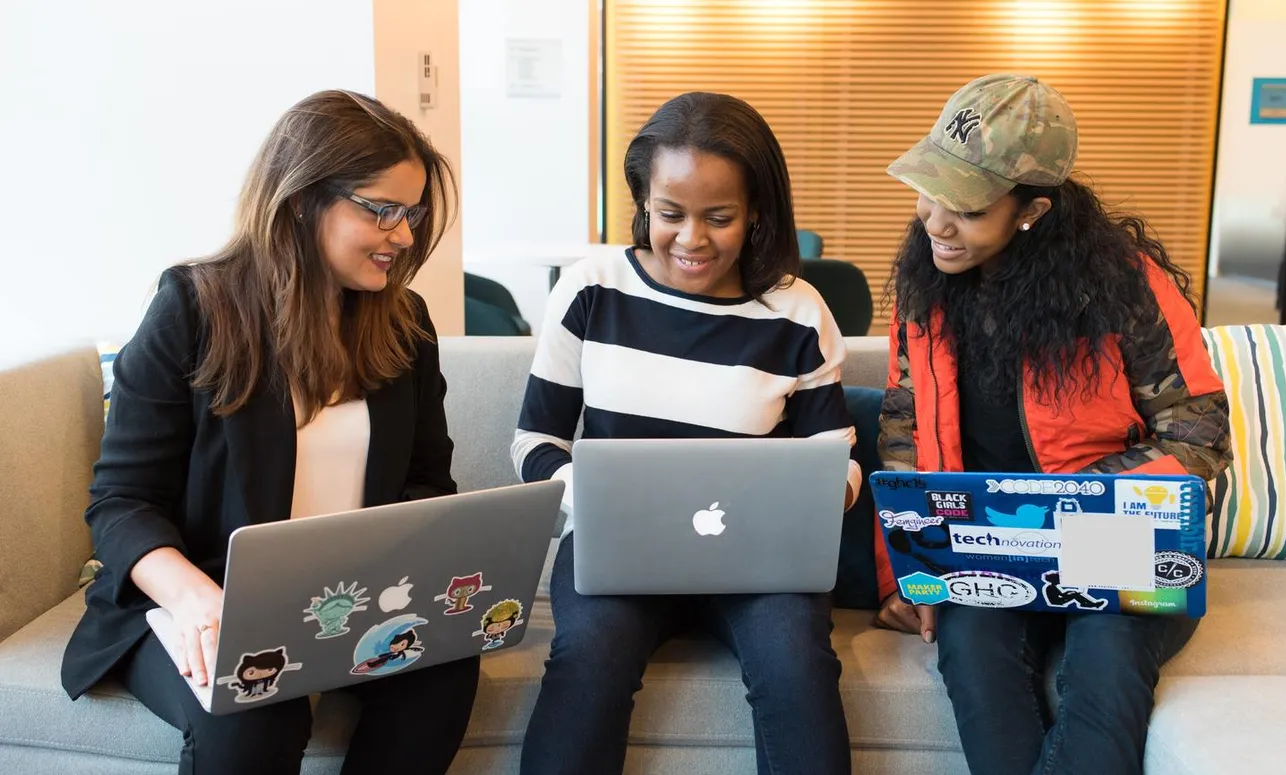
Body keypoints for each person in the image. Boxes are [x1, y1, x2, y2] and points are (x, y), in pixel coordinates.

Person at [60, 89, 480, 775]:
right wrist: (198, 598)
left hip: (346, 604)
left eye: (414, 214)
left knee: (444, 675)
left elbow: (426, 482)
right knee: (259, 706)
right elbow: (121, 503)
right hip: (196, 601)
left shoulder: (405, 324)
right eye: (383, 210)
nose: (404, 236)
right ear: (302, 200)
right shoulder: (191, 308)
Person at [873, 74, 1233, 775]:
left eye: (968, 208)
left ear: (1032, 209)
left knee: (1107, 655)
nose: (935, 220)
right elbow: (902, 424)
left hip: (1117, 540)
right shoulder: (925, 287)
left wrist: (1066, 509)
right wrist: (905, 571)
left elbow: (1199, 432)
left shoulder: (1124, 287)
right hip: (980, 548)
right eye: (929, 191)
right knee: (973, 652)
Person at [512, 91, 859, 775]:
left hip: (761, 561)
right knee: (588, 656)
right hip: (617, 551)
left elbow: (836, 459)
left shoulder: (797, 311)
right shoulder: (591, 289)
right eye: (669, 213)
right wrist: (591, 492)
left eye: (719, 217)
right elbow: (534, 443)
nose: (692, 239)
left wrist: (821, 493)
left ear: (757, 210)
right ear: (642, 199)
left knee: (797, 659)